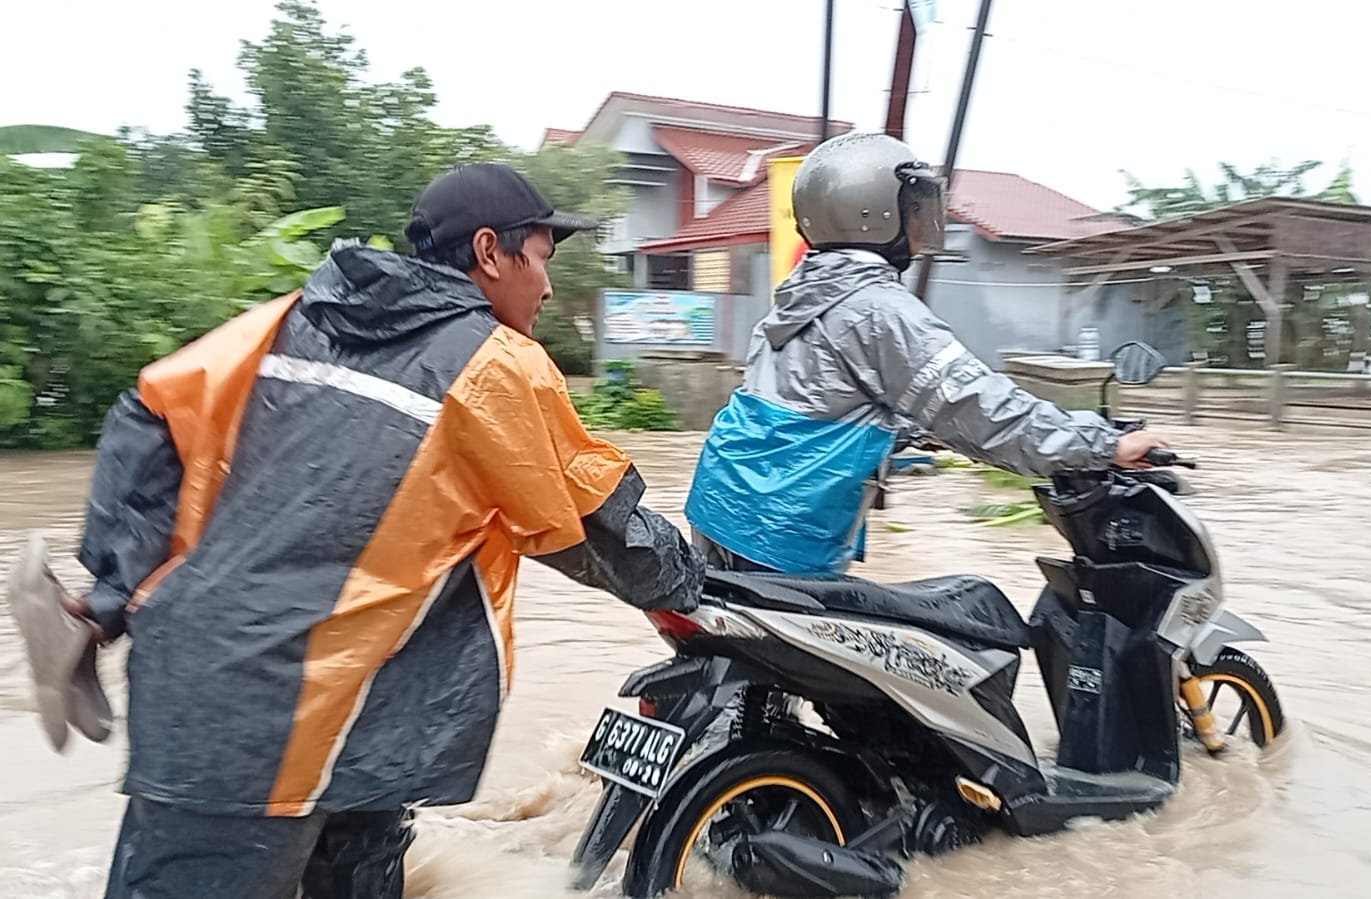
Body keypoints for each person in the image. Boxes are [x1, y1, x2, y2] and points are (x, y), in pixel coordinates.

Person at [69, 161, 707, 898]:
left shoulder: (290, 319)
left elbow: (148, 420)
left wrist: (118, 591)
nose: (548, 286)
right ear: (491, 252)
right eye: (541, 260)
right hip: (283, 721)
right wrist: (695, 584)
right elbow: (591, 522)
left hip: (270, 698)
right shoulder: (495, 364)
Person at [684, 133, 1169, 575]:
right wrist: (1104, 444)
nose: (924, 219)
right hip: (778, 530)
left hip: (720, 506)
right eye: (915, 205)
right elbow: (981, 408)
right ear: (873, 212)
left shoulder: (802, 292)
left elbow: (816, 404)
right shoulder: (878, 308)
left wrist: (917, 431)